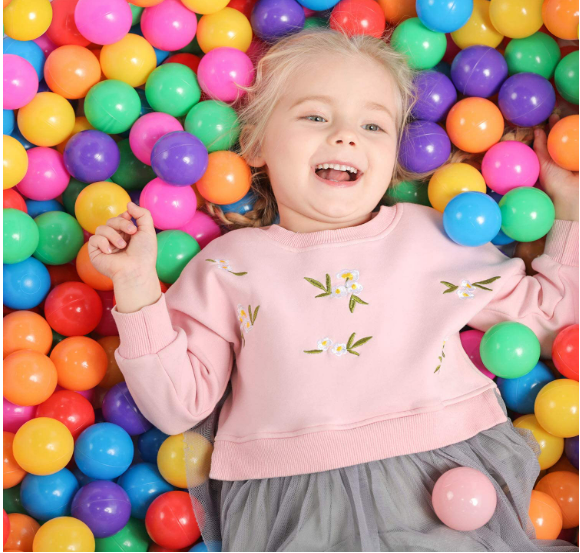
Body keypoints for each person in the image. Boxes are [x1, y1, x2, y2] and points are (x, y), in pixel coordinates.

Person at [89, 29, 579, 552]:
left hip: (439, 478)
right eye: (315, 117)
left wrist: (570, 209)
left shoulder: (431, 237)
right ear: (256, 144)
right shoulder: (228, 266)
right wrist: (136, 284)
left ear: (393, 154)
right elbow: (177, 407)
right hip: (295, 502)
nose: (346, 136)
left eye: (372, 125)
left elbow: (550, 321)